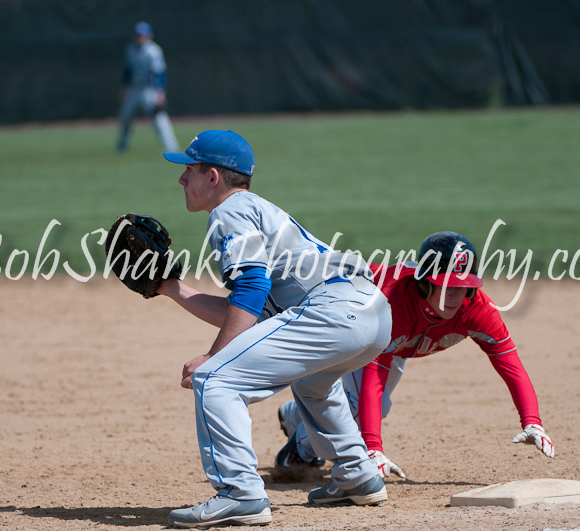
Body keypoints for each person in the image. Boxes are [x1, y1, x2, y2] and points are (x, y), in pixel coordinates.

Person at [157, 130, 393, 528]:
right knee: (313, 384)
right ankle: (357, 474)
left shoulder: (228, 211)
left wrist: (214, 357)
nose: (182, 179)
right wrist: (171, 288)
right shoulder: (256, 208)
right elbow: (250, 311)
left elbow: (251, 288)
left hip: (333, 312)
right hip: (371, 313)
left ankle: (240, 493)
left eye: (189, 169)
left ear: (213, 177)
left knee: (215, 380)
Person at [276, 231, 554, 481]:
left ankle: (296, 415)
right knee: (366, 408)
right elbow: (373, 376)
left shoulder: (477, 310)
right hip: (348, 321)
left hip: (395, 345)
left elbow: (511, 366)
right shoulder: (392, 304)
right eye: (444, 285)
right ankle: (299, 451)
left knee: (365, 407)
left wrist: (532, 421)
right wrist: (374, 449)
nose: (454, 295)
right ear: (424, 284)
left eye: (461, 285)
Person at [116, 22, 179, 153]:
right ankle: (122, 145)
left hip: (150, 90)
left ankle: (171, 146)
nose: (139, 38)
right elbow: (127, 71)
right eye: (138, 35)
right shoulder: (131, 49)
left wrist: (160, 92)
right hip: (134, 89)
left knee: (158, 117)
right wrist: (124, 87)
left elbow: (159, 73)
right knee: (125, 115)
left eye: (142, 35)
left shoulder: (153, 50)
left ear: (149, 36)